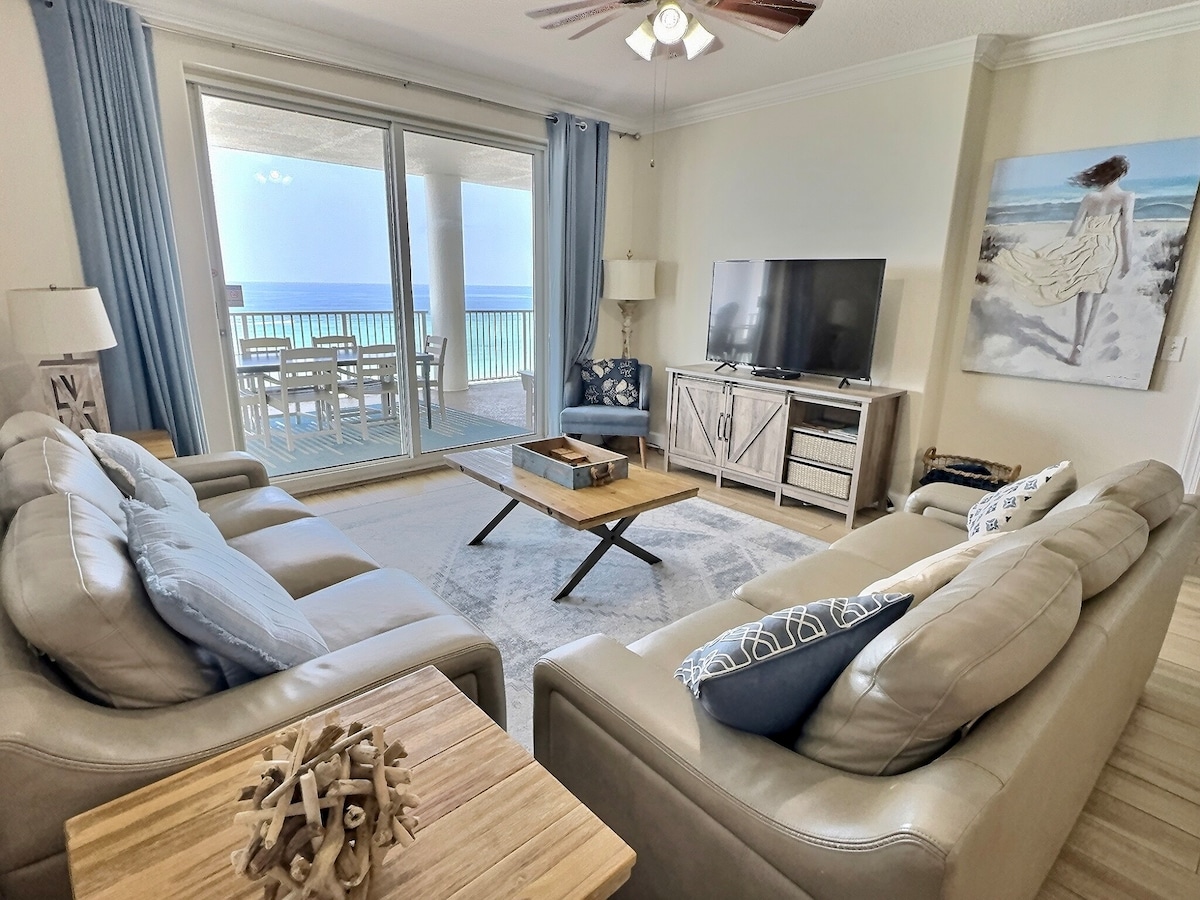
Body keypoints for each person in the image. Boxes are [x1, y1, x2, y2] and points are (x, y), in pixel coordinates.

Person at [993, 155, 1135, 365]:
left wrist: (1064, 250)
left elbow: (1074, 230)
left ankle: (1077, 348)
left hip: (1085, 244)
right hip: (1106, 249)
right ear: (1121, 174)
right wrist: (1127, 260)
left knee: (1084, 295)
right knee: (1095, 294)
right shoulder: (1126, 196)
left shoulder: (1090, 198)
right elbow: (1126, 229)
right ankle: (1081, 344)